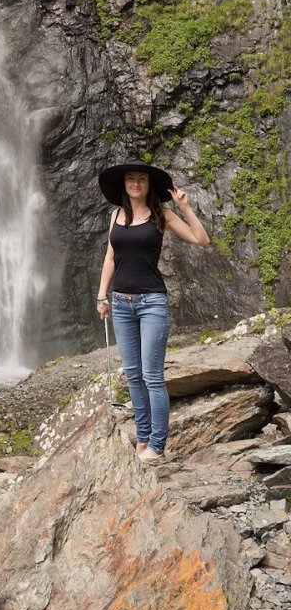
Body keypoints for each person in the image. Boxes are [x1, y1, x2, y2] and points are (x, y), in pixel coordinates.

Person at [96, 162, 210, 462]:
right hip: (120, 304)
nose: (135, 183)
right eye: (130, 179)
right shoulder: (115, 216)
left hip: (152, 303)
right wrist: (101, 296)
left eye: (141, 179)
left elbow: (201, 239)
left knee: (152, 376)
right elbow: (111, 256)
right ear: (124, 184)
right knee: (133, 375)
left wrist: (185, 207)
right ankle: (142, 438)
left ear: (148, 184)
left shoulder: (162, 215)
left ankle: (157, 445)